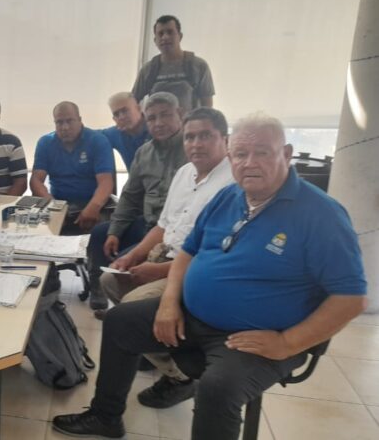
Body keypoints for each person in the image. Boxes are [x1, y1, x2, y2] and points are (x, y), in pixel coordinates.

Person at [53, 113, 367, 440]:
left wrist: (288, 343)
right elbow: (188, 252)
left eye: (262, 152)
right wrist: (169, 303)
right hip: (194, 315)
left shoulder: (321, 214)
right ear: (230, 156)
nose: (249, 163)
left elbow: (351, 299)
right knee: (120, 321)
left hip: (255, 334)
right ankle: (105, 417)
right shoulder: (228, 197)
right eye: (240, 154)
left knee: (218, 388)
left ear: (286, 154)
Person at [95, 107, 234, 409]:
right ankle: (157, 347)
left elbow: (215, 256)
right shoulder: (185, 173)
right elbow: (163, 226)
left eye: (205, 136)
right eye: (190, 137)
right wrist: (132, 256)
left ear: (225, 139)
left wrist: (158, 272)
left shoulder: (233, 184)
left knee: (128, 309)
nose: (196, 144)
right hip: (166, 254)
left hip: (196, 272)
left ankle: (179, 377)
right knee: (110, 280)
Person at [86, 92, 188, 310]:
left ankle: (131, 311)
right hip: (149, 224)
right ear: (145, 119)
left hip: (175, 233)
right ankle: (101, 295)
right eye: (152, 118)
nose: (158, 123)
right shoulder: (144, 152)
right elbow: (130, 197)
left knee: (125, 271)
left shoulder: (193, 151)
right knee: (101, 234)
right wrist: (115, 231)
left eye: (165, 115)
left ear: (180, 114)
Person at [30, 101, 115, 235]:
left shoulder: (98, 140)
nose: (65, 127)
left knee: (99, 237)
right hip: (58, 204)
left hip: (93, 204)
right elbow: (36, 180)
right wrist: (52, 205)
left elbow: (106, 182)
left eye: (70, 121)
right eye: (59, 122)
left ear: (80, 120)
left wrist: (93, 207)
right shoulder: (45, 143)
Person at [132, 15, 215, 113]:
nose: (165, 37)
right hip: (158, 123)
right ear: (155, 40)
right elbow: (132, 102)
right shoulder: (148, 70)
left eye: (170, 32)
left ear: (180, 36)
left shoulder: (198, 66)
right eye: (160, 34)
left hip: (189, 122)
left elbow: (207, 108)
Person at [101, 92, 150, 171]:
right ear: (114, 119)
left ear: (139, 109)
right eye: (116, 114)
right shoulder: (116, 134)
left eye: (125, 111)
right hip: (135, 178)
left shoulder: (156, 128)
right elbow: (89, 136)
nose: (121, 117)